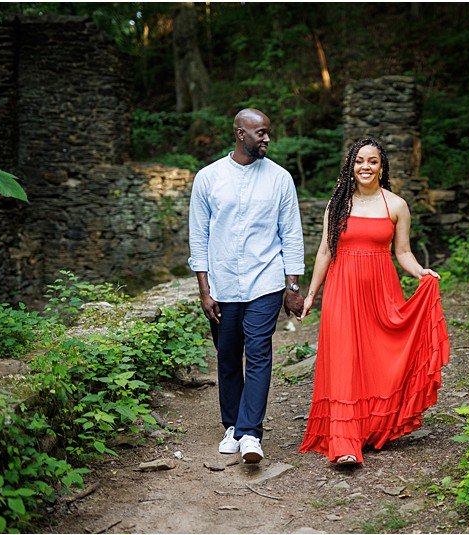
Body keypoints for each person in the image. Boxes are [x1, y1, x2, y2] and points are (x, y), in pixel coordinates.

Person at [298, 138, 449, 467]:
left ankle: (372, 428)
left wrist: (420, 272)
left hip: (382, 292)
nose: (365, 167)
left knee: (377, 359)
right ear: (350, 166)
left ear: (382, 167)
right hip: (341, 291)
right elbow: (325, 251)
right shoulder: (337, 205)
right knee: (343, 362)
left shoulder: (396, 205)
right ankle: (344, 442)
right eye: (359, 161)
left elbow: (403, 252)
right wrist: (311, 294)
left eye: (373, 161)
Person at [188, 108, 306, 465]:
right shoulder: (208, 178)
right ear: (240, 134)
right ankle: (232, 427)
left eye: (268, 132)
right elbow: (199, 236)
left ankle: (251, 432)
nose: (267, 138)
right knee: (227, 357)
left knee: (257, 353)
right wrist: (204, 289)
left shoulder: (280, 178)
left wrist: (292, 284)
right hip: (222, 282)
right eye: (261, 133)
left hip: (265, 281)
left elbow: (292, 232)